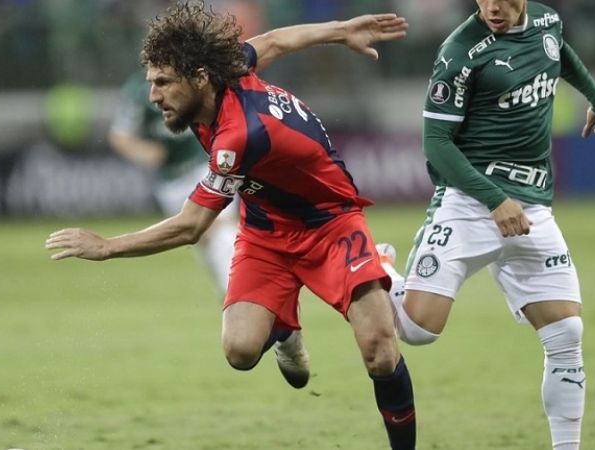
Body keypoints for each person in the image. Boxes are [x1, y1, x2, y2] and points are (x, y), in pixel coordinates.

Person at [46, 2, 416, 449]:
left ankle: (378, 267)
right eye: (151, 83)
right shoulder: (227, 71)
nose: (154, 97)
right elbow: (276, 40)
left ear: (199, 78)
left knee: (379, 352)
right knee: (240, 351)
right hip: (265, 231)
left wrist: (106, 247)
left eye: (163, 83)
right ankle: (285, 329)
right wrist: (339, 31)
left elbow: (190, 226)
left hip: (331, 225)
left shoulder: (238, 135)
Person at [377, 1, 595, 450]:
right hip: (469, 203)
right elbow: (436, 143)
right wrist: (494, 200)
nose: (492, 7)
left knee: (567, 334)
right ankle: (383, 270)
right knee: (418, 330)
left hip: (533, 206)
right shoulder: (460, 52)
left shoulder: (546, 20)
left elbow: (558, 51)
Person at [109, 71, 237, 294]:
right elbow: (120, 136)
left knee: (218, 228)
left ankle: (239, 292)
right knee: (203, 240)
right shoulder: (138, 91)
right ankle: (231, 291)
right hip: (171, 182)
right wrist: (144, 151)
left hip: (204, 166)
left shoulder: (194, 78)